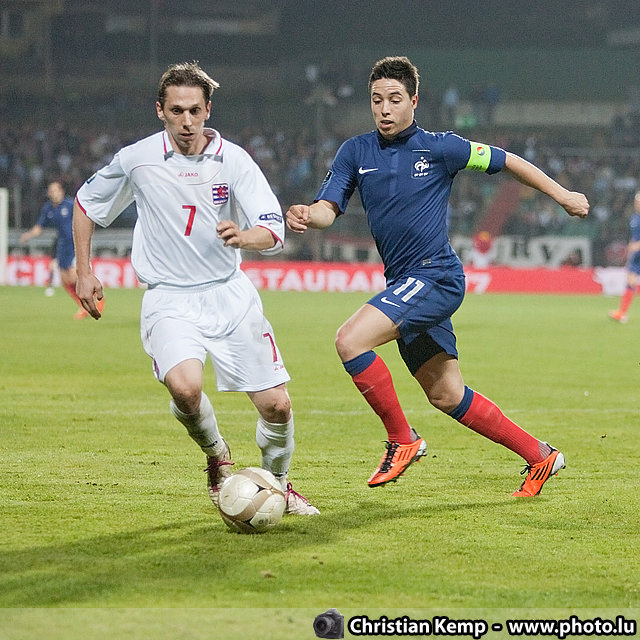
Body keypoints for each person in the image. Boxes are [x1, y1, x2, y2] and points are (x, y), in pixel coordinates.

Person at [287, 56, 589, 497]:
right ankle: (540, 455)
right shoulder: (355, 152)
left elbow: (508, 161)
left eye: (394, 99)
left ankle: (402, 439)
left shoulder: (441, 147)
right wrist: (306, 214)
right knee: (447, 394)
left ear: (414, 101)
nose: (384, 109)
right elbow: (327, 210)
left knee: (350, 340)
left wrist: (562, 195)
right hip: (405, 285)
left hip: (436, 276)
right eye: (376, 100)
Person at [72, 61, 318, 515]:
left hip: (229, 295)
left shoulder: (234, 159)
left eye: (195, 111)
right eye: (176, 111)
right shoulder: (137, 159)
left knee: (277, 407)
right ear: (160, 111)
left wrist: (244, 237)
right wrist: (84, 271)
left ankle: (279, 486)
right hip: (169, 297)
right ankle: (217, 454)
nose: (187, 121)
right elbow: (87, 204)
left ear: (208, 110)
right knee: (185, 389)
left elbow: (272, 228)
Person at [20, 180, 104, 317]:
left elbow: (84, 218)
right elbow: (39, 227)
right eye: (51, 191)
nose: (54, 193)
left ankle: (97, 299)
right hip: (62, 244)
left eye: (56, 190)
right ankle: (83, 306)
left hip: (75, 243)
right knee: (65, 280)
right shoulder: (48, 208)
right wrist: (27, 235)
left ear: (62, 191)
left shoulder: (70, 205)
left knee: (74, 275)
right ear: (49, 193)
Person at [609, 190, 640, 323]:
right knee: (630, 281)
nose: (637, 204)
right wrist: (632, 248)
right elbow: (634, 237)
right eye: (636, 202)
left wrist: (637, 245)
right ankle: (622, 312)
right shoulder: (634, 218)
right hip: (637, 256)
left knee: (631, 281)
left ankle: (622, 312)